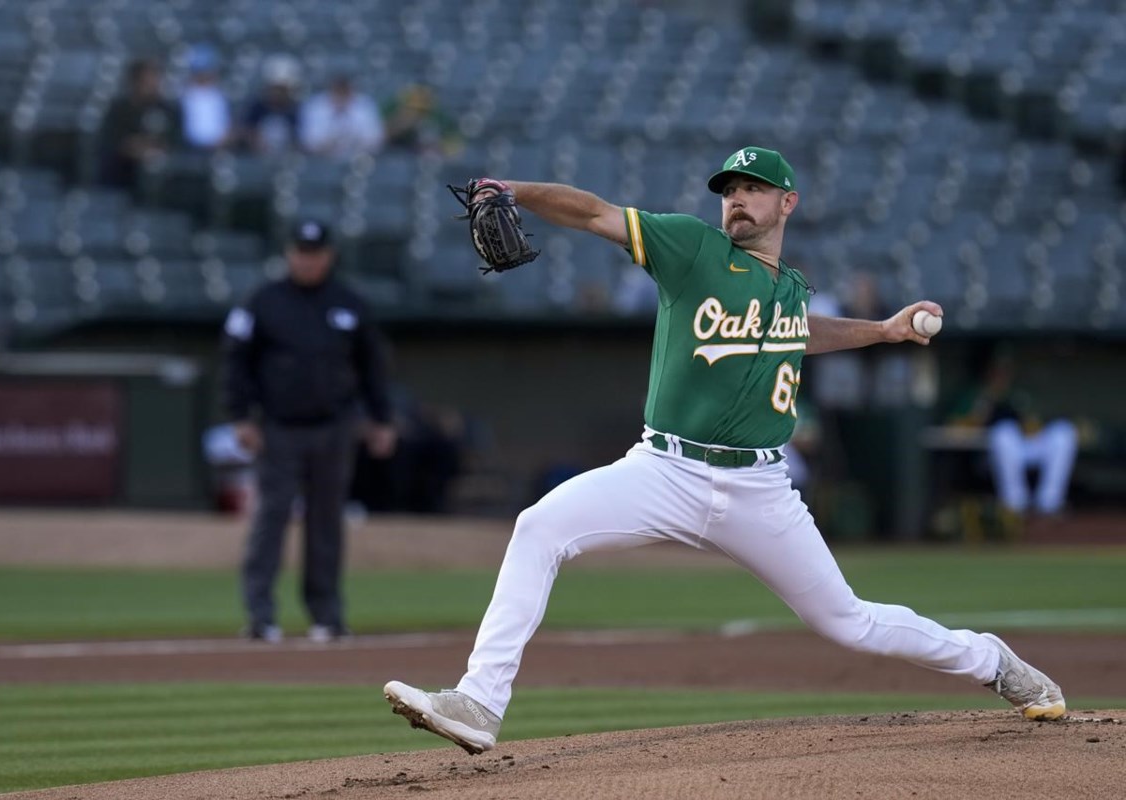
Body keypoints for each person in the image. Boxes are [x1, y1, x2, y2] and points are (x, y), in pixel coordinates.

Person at [382, 147, 1066, 754]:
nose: (736, 198)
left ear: (786, 202)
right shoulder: (692, 249)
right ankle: (479, 702)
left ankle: (993, 662)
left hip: (761, 492)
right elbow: (593, 213)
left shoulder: (789, 288)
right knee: (539, 528)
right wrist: (515, 190)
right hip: (663, 470)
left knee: (848, 622)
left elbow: (801, 330)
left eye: (753, 188)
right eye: (729, 189)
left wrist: (882, 331)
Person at [222, 219, 397, 644]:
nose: (307, 259)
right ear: (288, 254)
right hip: (279, 426)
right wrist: (240, 415)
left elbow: (372, 366)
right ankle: (260, 616)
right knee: (271, 518)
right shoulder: (262, 301)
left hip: (335, 426)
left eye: (315, 252)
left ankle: (327, 614)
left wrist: (382, 418)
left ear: (329, 256)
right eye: (300, 251)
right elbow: (235, 361)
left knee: (326, 522)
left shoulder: (350, 303)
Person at [948, 348, 1079, 518]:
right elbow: (954, 426)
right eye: (997, 369)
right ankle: (1014, 505)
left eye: (1005, 369)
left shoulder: (1018, 394)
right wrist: (979, 416)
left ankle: (1049, 503)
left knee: (1064, 432)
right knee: (1004, 432)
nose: (1001, 375)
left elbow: (1034, 424)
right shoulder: (975, 394)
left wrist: (1029, 426)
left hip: (1023, 447)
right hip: (987, 452)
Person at [100, 58, 180, 191]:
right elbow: (116, 142)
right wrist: (140, 150)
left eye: (156, 79)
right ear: (135, 82)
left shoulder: (167, 109)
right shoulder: (119, 109)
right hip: (122, 175)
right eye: (147, 81)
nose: (154, 85)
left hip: (162, 176)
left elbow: (173, 142)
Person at [300, 74, 384, 161]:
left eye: (344, 90)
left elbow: (376, 140)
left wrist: (348, 142)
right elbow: (309, 142)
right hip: (322, 160)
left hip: (359, 159)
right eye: (338, 90)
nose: (341, 95)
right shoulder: (315, 106)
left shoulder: (365, 104)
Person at [241, 54, 303, 156]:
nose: (278, 93)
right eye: (275, 88)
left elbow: (299, 139)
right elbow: (246, 130)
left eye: (282, 89)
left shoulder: (294, 110)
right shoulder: (257, 108)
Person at [180, 44, 233, 151]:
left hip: (218, 147)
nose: (204, 74)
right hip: (190, 148)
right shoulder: (186, 95)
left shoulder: (219, 96)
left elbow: (224, 124)